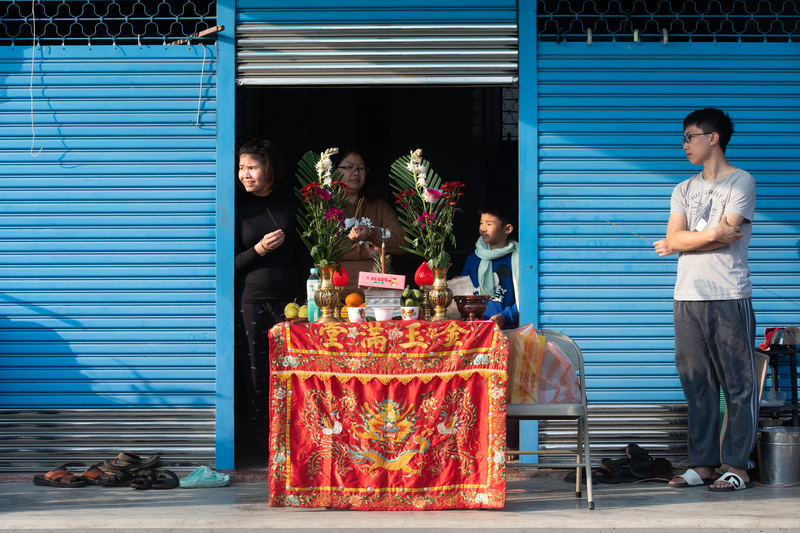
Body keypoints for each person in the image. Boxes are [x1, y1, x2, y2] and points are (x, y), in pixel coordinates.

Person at [654, 108, 757, 492]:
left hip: (727, 294)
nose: (685, 144)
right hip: (687, 296)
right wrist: (709, 235)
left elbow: (707, 236)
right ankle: (703, 464)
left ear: (712, 138)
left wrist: (681, 242)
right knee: (695, 382)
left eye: (690, 136)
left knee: (738, 384)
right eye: (683, 137)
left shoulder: (741, 181)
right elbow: (676, 236)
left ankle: (738, 467)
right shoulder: (682, 188)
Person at [234, 138, 300, 454]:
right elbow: (227, 263)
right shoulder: (236, 207)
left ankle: (293, 436)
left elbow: (306, 257)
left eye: (252, 167)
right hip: (251, 301)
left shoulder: (291, 205)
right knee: (256, 374)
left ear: (269, 168)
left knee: (290, 370)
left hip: (290, 302)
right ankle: (263, 444)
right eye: (241, 168)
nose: (245, 174)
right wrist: (259, 249)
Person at [333, 148, 406, 295]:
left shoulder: (379, 207)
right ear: (334, 171)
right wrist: (369, 252)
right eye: (349, 167)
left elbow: (402, 243)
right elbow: (325, 249)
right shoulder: (324, 207)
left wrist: (372, 233)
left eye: (360, 168)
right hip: (335, 294)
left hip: (376, 294)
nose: (355, 172)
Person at [461, 203, 519, 330]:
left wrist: (505, 317)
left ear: (507, 229)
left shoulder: (519, 259)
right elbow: (462, 294)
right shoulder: (473, 259)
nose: (483, 228)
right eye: (481, 223)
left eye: (489, 224)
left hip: (508, 329)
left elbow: (525, 297)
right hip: (476, 329)